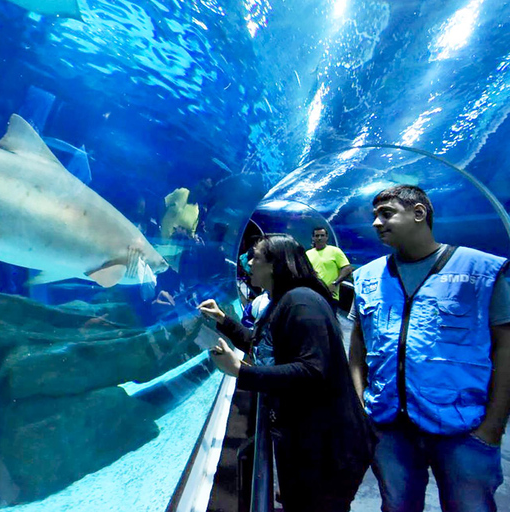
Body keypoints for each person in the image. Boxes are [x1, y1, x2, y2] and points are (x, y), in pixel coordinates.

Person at [348, 185, 510, 512]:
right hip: (388, 426)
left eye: (387, 213)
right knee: (397, 506)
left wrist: (493, 426)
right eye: (374, 216)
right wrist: (361, 406)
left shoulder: (478, 272)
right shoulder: (366, 277)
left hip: (464, 428)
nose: (377, 223)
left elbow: (506, 347)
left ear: (419, 213)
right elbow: (357, 348)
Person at [199, 234, 375, 512]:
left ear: (274, 264)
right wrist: (224, 320)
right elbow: (265, 344)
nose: (248, 261)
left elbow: (312, 370)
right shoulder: (280, 301)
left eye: (255, 256)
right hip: (306, 441)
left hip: (327, 448)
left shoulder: (301, 303)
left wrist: (240, 372)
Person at [306, 226, 352, 303]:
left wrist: (335, 283)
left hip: (330, 295)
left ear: (327, 237)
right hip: (313, 295)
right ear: (313, 238)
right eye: (317, 236)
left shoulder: (335, 251)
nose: (320, 238)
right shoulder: (308, 254)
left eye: (322, 235)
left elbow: (347, 269)